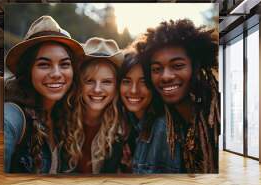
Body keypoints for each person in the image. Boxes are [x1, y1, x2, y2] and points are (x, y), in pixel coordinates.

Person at [136, 19, 220, 173]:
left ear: (195, 67)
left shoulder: (217, 117)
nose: (165, 76)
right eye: (156, 69)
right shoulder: (158, 121)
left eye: (178, 66)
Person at [4, 15, 84, 173]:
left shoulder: (63, 117)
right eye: (44, 64)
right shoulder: (13, 115)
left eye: (64, 64)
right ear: (28, 71)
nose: (56, 73)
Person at [62, 37, 124, 174]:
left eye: (106, 82)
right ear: (80, 84)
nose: (97, 89)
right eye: (90, 81)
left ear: (116, 87)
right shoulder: (61, 118)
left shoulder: (122, 129)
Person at [119, 49, 184, 173]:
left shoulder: (162, 129)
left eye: (143, 82)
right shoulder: (127, 123)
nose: (133, 90)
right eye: (126, 81)